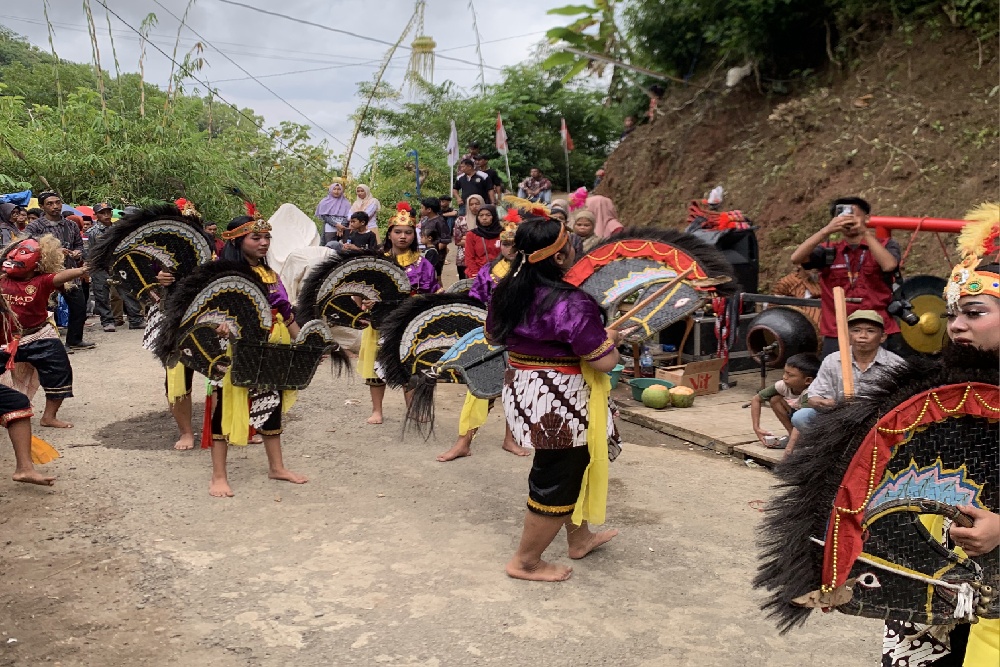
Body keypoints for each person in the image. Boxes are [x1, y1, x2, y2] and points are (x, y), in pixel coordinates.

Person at [487, 216, 623, 582]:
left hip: (525, 390)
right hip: (560, 401)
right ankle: (526, 561)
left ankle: (580, 538)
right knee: (556, 476)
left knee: (569, 469)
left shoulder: (506, 290)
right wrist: (609, 341)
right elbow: (604, 360)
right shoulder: (572, 302)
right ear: (561, 256)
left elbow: (496, 335)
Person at [206, 215, 307, 497]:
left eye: (267, 238)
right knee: (227, 406)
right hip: (233, 348)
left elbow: (286, 314)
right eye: (256, 238)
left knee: (271, 400)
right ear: (238, 241)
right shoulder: (219, 274)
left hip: (272, 344)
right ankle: (218, 476)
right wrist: (218, 326)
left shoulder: (271, 275)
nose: (264, 243)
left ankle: (277, 467)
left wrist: (304, 344)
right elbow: (203, 314)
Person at [437, 212, 528, 463]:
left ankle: (511, 439)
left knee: (516, 389)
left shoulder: (533, 272)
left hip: (525, 338)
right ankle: (463, 442)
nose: (512, 247)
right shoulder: (489, 270)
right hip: (493, 335)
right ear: (501, 244)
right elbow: (475, 302)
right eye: (507, 242)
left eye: (517, 242)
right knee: (478, 388)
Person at [790, 197, 902, 357]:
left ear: (867, 218)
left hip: (878, 328)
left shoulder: (885, 245)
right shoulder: (829, 251)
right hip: (837, 330)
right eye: (843, 215)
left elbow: (889, 265)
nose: (849, 219)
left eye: (854, 214)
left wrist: (865, 233)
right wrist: (826, 231)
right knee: (837, 378)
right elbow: (796, 258)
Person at [363, 207, 440, 425]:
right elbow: (363, 289)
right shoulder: (378, 261)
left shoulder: (423, 263)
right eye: (398, 231)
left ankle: (412, 408)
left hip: (412, 323)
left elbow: (432, 291)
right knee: (376, 367)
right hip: (381, 322)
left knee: (412, 365)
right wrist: (366, 302)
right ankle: (377, 410)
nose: (403, 236)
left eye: (407, 232)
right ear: (389, 234)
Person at [0, 235, 88, 428]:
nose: (14, 258)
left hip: (37, 335)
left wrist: (82, 270)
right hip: (3, 339)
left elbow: (61, 277)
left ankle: (49, 417)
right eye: (13, 254)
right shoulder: (1, 278)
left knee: (59, 372)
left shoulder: (43, 280)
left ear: (39, 263)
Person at [788, 310, 903, 445]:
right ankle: (834, 448)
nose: (862, 336)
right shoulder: (832, 360)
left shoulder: (896, 364)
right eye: (856, 330)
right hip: (840, 419)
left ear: (882, 337)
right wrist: (821, 402)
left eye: (871, 331)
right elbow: (814, 396)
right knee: (802, 417)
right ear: (848, 335)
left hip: (878, 421)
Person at [24, 192, 93, 350]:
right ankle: (49, 344)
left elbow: (79, 245)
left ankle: (75, 340)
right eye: (50, 203)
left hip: (70, 273)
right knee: (47, 309)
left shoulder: (71, 225)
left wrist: (77, 253)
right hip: (45, 274)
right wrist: (53, 250)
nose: (55, 206)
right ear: (42, 206)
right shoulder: (35, 226)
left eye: (57, 202)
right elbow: (26, 247)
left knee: (79, 307)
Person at [88, 203, 144, 332]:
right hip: (100, 266)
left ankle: (135, 320)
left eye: (108, 212)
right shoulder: (93, 232)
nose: (106, 215)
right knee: (102, 295)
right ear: (96, 215)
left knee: (128, 292)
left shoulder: (117, 228)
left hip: (118, 265)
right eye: (102, 213)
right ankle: (107, 321)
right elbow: (89, 252)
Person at [749, 352, 819, 449]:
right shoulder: (783, 385)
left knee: (802, 417)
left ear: (808, 381)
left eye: (790, 375)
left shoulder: (812, 393)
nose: (784, 377)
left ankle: (804, 440)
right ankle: (793, 436)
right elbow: (756, 399)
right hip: (796, 415)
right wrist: (756, 428)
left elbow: (802, 418)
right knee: (775, 400)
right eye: (785, 372)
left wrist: (789, 449)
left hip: (812, 423)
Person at [464, 204, 503, 279]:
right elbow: (469, 257)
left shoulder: (503, 233)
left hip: (500, 272)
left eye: (488, 215)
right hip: (478, 272)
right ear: (477, 217)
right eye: (481, 215)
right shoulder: (471, 235)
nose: (484, 218)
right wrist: (475, 274)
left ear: (494, 216)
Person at [453, 194, 482, 280]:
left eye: (477, 203)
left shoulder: (486, 220)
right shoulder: (461, 220)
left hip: (482, 259)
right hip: (463, 259)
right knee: (464, 286)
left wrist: (467, 240)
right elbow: (457, 241)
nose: (474, 206)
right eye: (471, 204)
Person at [418, 198, 450, 276]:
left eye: (422, 207)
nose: (420, 209)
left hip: (437, 254)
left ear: (429, 209)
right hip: (426, 251)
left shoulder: (440, 221)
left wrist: (433, 249)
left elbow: (444, 240)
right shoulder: (424, 219)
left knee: (436, 276)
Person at [316, 181, 352, 246]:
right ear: (330, 190)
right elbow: (324, 216)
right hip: (330, 227)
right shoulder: (325, 202)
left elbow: (348, 216)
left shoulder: (346, 202)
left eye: (339, 189)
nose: (336, 191)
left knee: (345, 246)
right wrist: (336, 225)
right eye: (334, 189)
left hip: (344, 227)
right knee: (329, 245)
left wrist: (341, 227)